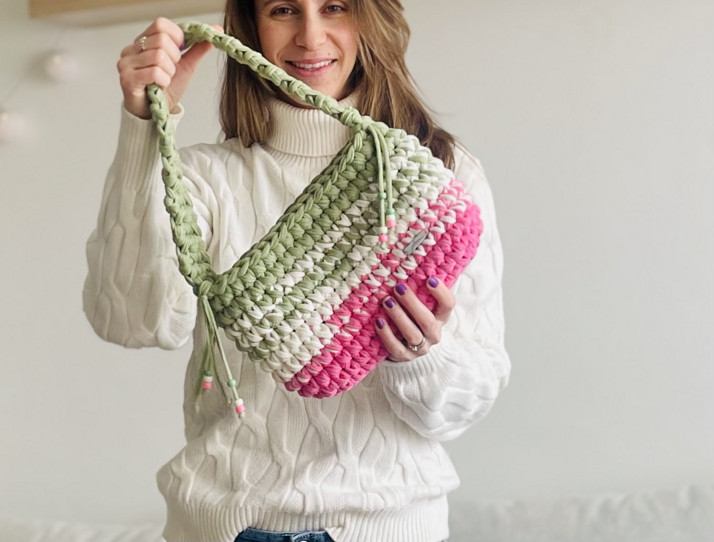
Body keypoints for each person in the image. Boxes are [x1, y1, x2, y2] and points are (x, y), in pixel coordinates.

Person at [83, 1, 511, 541]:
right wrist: (145, 129)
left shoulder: (436, 176)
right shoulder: (204, 179)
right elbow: (132, 322)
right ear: (251, 26)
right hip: (220, 526)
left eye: (335, 7)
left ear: (370, 19)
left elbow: (465, 405)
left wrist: (421, 357)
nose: (311, 37)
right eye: (283, 9)